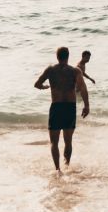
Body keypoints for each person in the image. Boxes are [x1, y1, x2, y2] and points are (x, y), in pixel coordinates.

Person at [35, 47, 90, 175]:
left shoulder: (50, 70)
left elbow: (37, 84)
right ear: (68, 56)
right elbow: (83, 89)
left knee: (54, 142)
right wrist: (86, 106)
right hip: (70, 107)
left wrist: (45, 87)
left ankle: (57, 170)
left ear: (57, 56)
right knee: (68, 141)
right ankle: (66, 165)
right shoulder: (75, 71)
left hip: (56, 107)